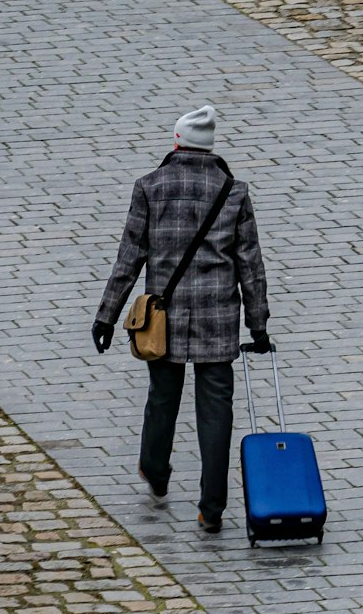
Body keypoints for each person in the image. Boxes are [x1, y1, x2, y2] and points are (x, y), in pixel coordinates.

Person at [93, 103, 272, 534]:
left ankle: (155, 471)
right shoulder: (234, 191)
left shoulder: (150, 186)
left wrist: (107, 316)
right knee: (216, 413)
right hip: (219, 317)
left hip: (163, 318)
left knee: (162, 396)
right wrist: (259, 324)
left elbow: (129, 258)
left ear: (176, 142)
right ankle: (211, 509)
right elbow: (250, 264)